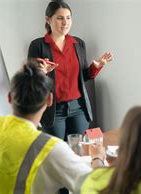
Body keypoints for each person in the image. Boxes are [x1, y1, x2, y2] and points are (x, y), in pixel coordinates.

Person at [0, 60, 106, 194]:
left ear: (9, 97)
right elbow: (96, 188)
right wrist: (97, 158)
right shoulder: (48, 148)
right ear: (50, 100)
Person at [28, 0, 113, 140]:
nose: (65, 22)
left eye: (68, 18)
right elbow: (30, 81)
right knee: (57, 152)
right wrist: (41, 73)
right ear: (48, 20)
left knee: (78, 152)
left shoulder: (78, 44)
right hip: (53, 110)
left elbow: (84, 77)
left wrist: (96, 67)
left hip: (79, 108)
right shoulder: (37, 46)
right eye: (60, 18)